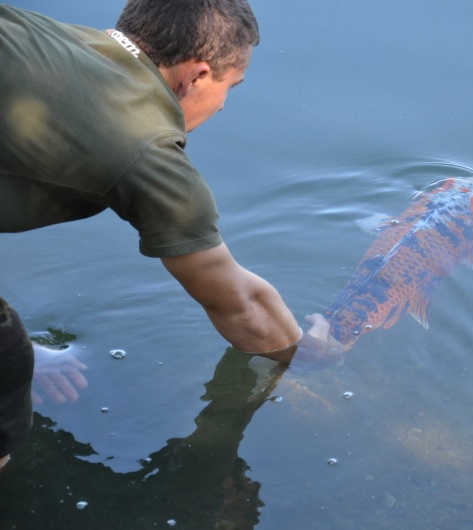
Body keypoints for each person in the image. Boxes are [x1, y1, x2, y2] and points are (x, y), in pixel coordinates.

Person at [0, 0, 340, 473]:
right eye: (230, 88)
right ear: (197, 76)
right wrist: (305, 352)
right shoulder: (145, 148)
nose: (223, 107)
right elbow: (238, 303)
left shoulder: (48, 36)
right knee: (6, 360)